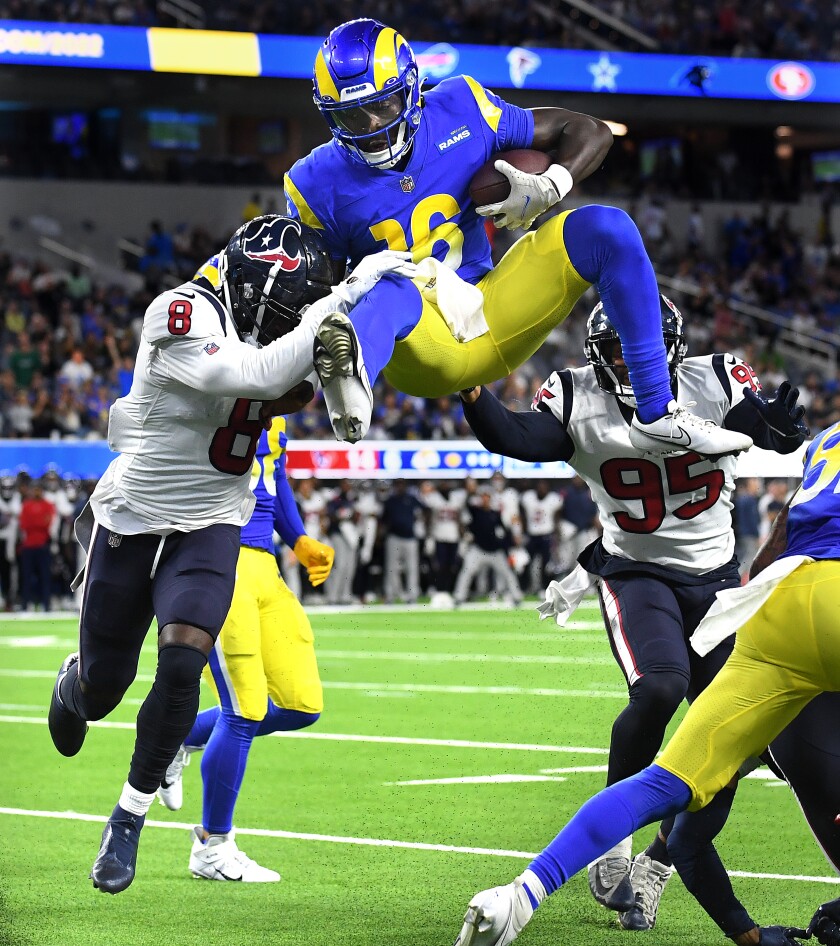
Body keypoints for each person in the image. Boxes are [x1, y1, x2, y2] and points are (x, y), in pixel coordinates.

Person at [45, 214, 397, 894]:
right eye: (293, 301)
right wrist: (340, 298)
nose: (299, 313)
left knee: (182, 662)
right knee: (104, 691)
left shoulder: (272, 315)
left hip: (212, 523)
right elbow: (258, 373)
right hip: (132, 518)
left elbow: (340, 404)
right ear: (261, 295)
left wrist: (363, 330)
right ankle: (77, 682)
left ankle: (129, 816)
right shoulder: (178, 313)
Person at [458, 295, 809, 937]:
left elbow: (765, 425)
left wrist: (779, 425)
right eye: (612, 349)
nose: (624, 360)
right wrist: (469, 387)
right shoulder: (575, 393)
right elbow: (517, 437)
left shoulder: (715, 376)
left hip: (718, 580)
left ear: (666, 346)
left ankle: (660, 861)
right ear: (596, 353)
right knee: (661, 687)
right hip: (636, 571)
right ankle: (612, 841)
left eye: (634, 346)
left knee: (729, 746)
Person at [285, 17, 751, 460]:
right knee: (389, 280)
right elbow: (311, 293)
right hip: (420, 347)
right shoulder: (313, 182)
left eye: (380, 106)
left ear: (410, 89)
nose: (371, 128)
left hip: (486, 310)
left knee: (605, 228)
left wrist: (552, 183)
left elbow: (587, 131)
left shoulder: (461, 107)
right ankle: (351, 375)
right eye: (350, 117)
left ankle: (656, 412)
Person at [155, 415, 333, 883]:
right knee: (244, 711)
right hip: (220, 563)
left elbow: (273, 478)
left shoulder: (280, 399)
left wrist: (298, 539)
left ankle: (178, 736)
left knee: (300, 704)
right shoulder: (218, 380)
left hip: (266, 568)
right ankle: (213, 848)